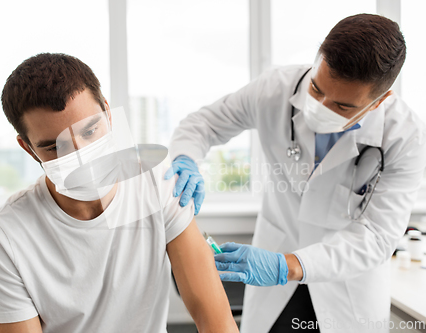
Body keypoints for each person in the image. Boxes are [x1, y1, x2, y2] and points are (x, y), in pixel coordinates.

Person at [165, 14, 426, 333]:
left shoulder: (404, 136)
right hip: (276, 278)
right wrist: (185, 159)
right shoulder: (274, 89)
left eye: (342, 106)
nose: (321, 106)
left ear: (379, 101)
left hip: (345, 286)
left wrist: (287, 265)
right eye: (316, 89)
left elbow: (377, 237)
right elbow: (202, 125)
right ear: (318, 59)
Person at [0, 53, 239, 333]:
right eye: (54, 147)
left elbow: (215, 320)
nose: (81, 158)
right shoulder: (4, 236)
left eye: (90, 130)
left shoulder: (155, 181)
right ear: (28, 148)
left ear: (108, 114)